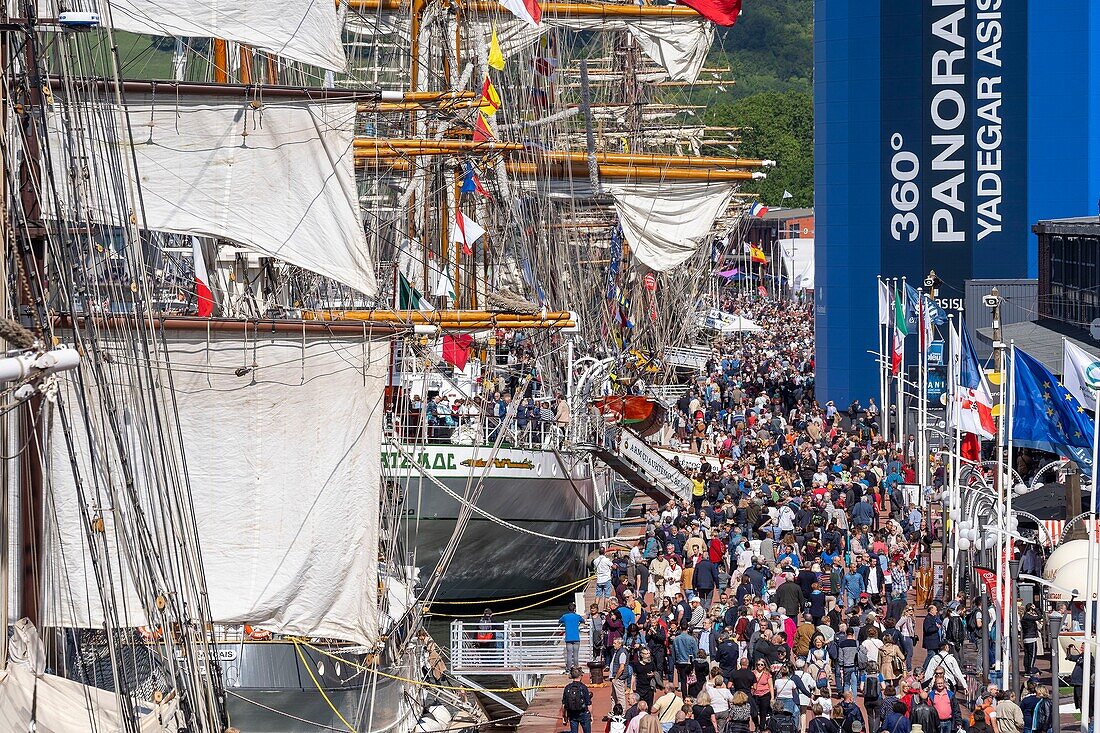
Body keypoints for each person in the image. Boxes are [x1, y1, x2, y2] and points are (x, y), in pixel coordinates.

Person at [562, 667, 593, 733]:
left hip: (572, 713)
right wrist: (591, 715)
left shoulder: (568, 687)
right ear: (580, 676)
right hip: (583, 713)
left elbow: (564, 704)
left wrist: (564, 716)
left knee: (574, 731)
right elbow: (589, 703)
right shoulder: (583, 687)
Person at [560, 602, 585, 674]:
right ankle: (576, 667)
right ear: (574, 609)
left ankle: (568, 669)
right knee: (576, 654)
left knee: (569, 654)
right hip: (576, 638)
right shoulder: (577, 616)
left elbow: (560, 620)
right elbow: (583, 620)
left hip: (568, 638)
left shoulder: (565, 616)